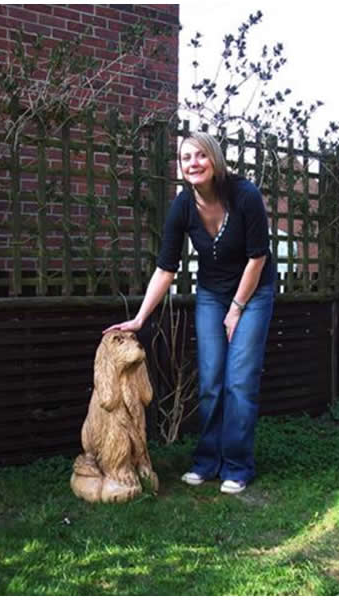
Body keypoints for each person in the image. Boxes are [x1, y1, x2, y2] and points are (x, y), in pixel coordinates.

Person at [102, 132, 276, 494]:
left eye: (200, 155)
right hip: (212, 295)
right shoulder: (183, 205)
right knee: (211, 380)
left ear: (214, 159)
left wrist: (237, 309)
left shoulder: (245, 196)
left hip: (253, 292)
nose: (193, 163)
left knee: (239, 380)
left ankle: (238, 466)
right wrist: (139, 318)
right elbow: (166, 268)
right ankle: (207, 460)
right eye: (185, 158)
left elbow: (258, 257)